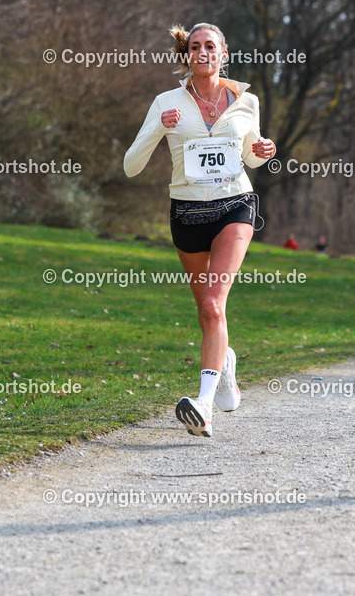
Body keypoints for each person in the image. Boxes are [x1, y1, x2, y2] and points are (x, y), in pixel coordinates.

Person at [124, 22, 276, 437]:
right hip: (187, 213)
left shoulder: (247, 100)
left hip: (235, 206)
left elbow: (250, 153)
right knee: (208, 312)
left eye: (211, 46)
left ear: (224, 53)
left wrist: (264, 151)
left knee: (213, 304)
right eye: (195, 46)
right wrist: (160, 125)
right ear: (186, 54)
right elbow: (130, 165)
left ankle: (203, 405)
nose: (203, 52)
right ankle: (225, 364)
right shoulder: (166, 102)